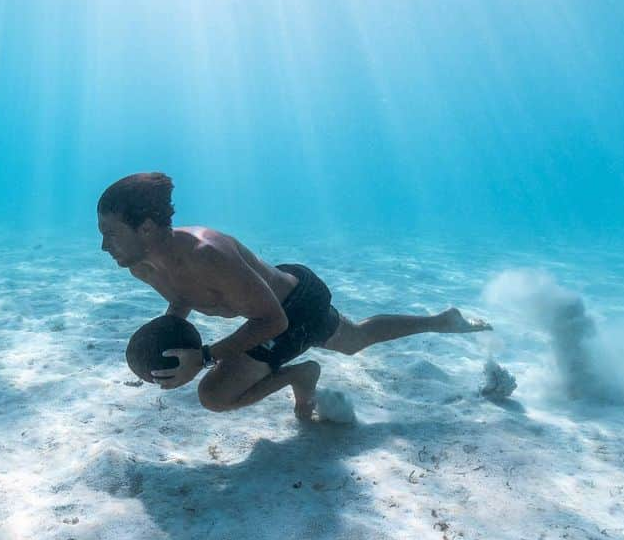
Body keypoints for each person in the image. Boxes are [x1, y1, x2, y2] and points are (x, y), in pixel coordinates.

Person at [97, 172, 491, 419]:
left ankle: (301, 376)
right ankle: (443, 320)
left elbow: (274, 322)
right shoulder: (141, 265)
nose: (104, 246)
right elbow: (182, 296)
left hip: (294, 308)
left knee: (215, 395)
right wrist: (167, 346)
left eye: (111, 234)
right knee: (354, 338)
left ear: (146, 228)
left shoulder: (207, 254)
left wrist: (200, 358)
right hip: (269, 303)